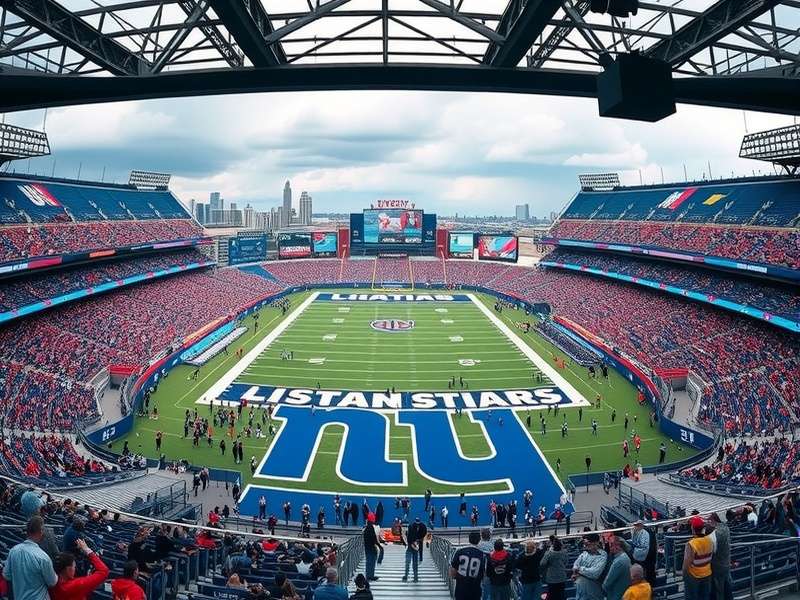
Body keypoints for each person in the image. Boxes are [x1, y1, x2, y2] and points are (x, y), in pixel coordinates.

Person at [4, 515, 58, 600]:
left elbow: (7, 575)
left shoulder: (13, 551)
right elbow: (52, 582)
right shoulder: (43, 557)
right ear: (41, 531)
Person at [682, 516, 713, 600]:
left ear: (692, 528)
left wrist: (685, 577)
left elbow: (686, 565)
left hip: (694, 576)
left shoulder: (691, 544)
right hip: (707, 573)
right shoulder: (709, 539)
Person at [449, 531, 486, 600]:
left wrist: (456, 577)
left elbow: (453, 571)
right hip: (475, 589)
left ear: (469, 539)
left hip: (461, 588)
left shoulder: (460, 551)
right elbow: (484, 574)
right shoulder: (482, 554)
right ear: (479, 540)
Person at [571, 532, 607, 600]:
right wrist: (576, 572)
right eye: (584, 544)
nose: (585, 546)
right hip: (580, 594)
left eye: (587, 544)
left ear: (596, 543)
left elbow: (595, 573)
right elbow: (575, 565)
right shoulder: (584, 554)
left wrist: (579, 570)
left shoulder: (602, 555)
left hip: (593, 595)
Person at [708, 513, 732, 600]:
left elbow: (711, 552)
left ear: (712, 520)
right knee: (727, 586)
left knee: (719, 589)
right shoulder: (725, 527)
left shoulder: (713, 535)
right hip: (726, 562)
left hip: (717, 565)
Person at [602, 535, 631, 600]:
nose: (610, 547)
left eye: (611, 545)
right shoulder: (625, 557)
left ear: (618, 546)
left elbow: (607, 583)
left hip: (616, 595)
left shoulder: (619, 561)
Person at [540, 536, 568, 600]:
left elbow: (542, 563)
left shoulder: (549, 553)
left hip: (552, 578)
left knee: (552, 595)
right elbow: (566, 562)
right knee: (561, 594)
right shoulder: (564, 552)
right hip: (562, 577)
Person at [362, 515, 381, 581]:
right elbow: (373, 538)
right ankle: (369, 576)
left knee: (370, 562)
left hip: (368, 547)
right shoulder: (370, 528)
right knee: (371, 562)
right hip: (371, 548)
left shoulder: (367, 528)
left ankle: (370, 575)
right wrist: (377, 545)